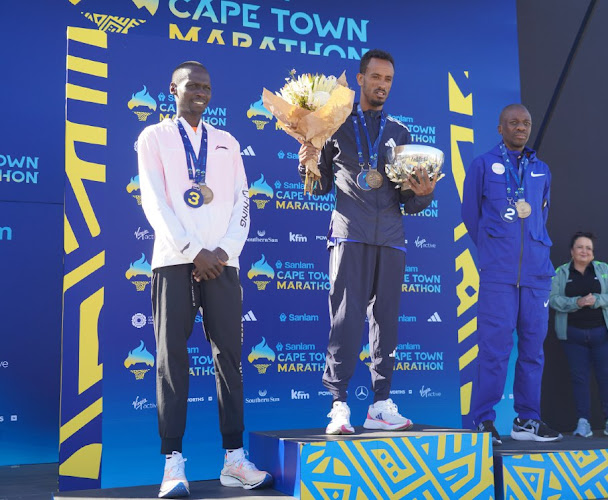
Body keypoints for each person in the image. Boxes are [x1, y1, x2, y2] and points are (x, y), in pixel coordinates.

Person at [137, 61, 271, 498]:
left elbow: (242, 203)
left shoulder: (228, 142)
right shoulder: (153, 137)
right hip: (174, 261)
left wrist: (223, 252)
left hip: (224, 265)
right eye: (191, 85)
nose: (200, 92)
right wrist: (194, 251)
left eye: (206, 86)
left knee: (229, 362)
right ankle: (172, 465)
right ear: (171, 89)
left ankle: (234, 460)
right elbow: (155, 202)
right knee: (170, 361)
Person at [297, 49, 436, 435]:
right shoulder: (333, 125)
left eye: (388, 80)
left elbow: (408, 200)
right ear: (360, 79)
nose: (382, 85)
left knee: (386, 323)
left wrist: (424, 193)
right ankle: (338, 404)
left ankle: (380, 403)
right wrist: (307, 160)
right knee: (345, 319)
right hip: (349, 234)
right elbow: (319, 185)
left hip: (391, 239)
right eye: (376, 78)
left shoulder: (400, 134)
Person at [461, 104, 561, 445]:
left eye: (526, 123)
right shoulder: (482, 165)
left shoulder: (542, 170)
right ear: (500, 128)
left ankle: (527, 421)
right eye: (514, 123)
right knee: (494, 350)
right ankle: (483, 421)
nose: (521, 127)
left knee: (533, 352)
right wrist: (494, 251)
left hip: (536, 276)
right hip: (499, 275)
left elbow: (540, 218)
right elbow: (471, 216)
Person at [549, 232, 608, 438]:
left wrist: (596, 300)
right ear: (572, 251)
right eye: (580, 247)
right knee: (579, 379)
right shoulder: (560, 272)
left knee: (606, 377)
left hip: (603, 333)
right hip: (573, 335)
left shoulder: (604, 269)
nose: (585, 251)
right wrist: (576, 303)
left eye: (588, 248)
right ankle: (583, 423)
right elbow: (553, 299)